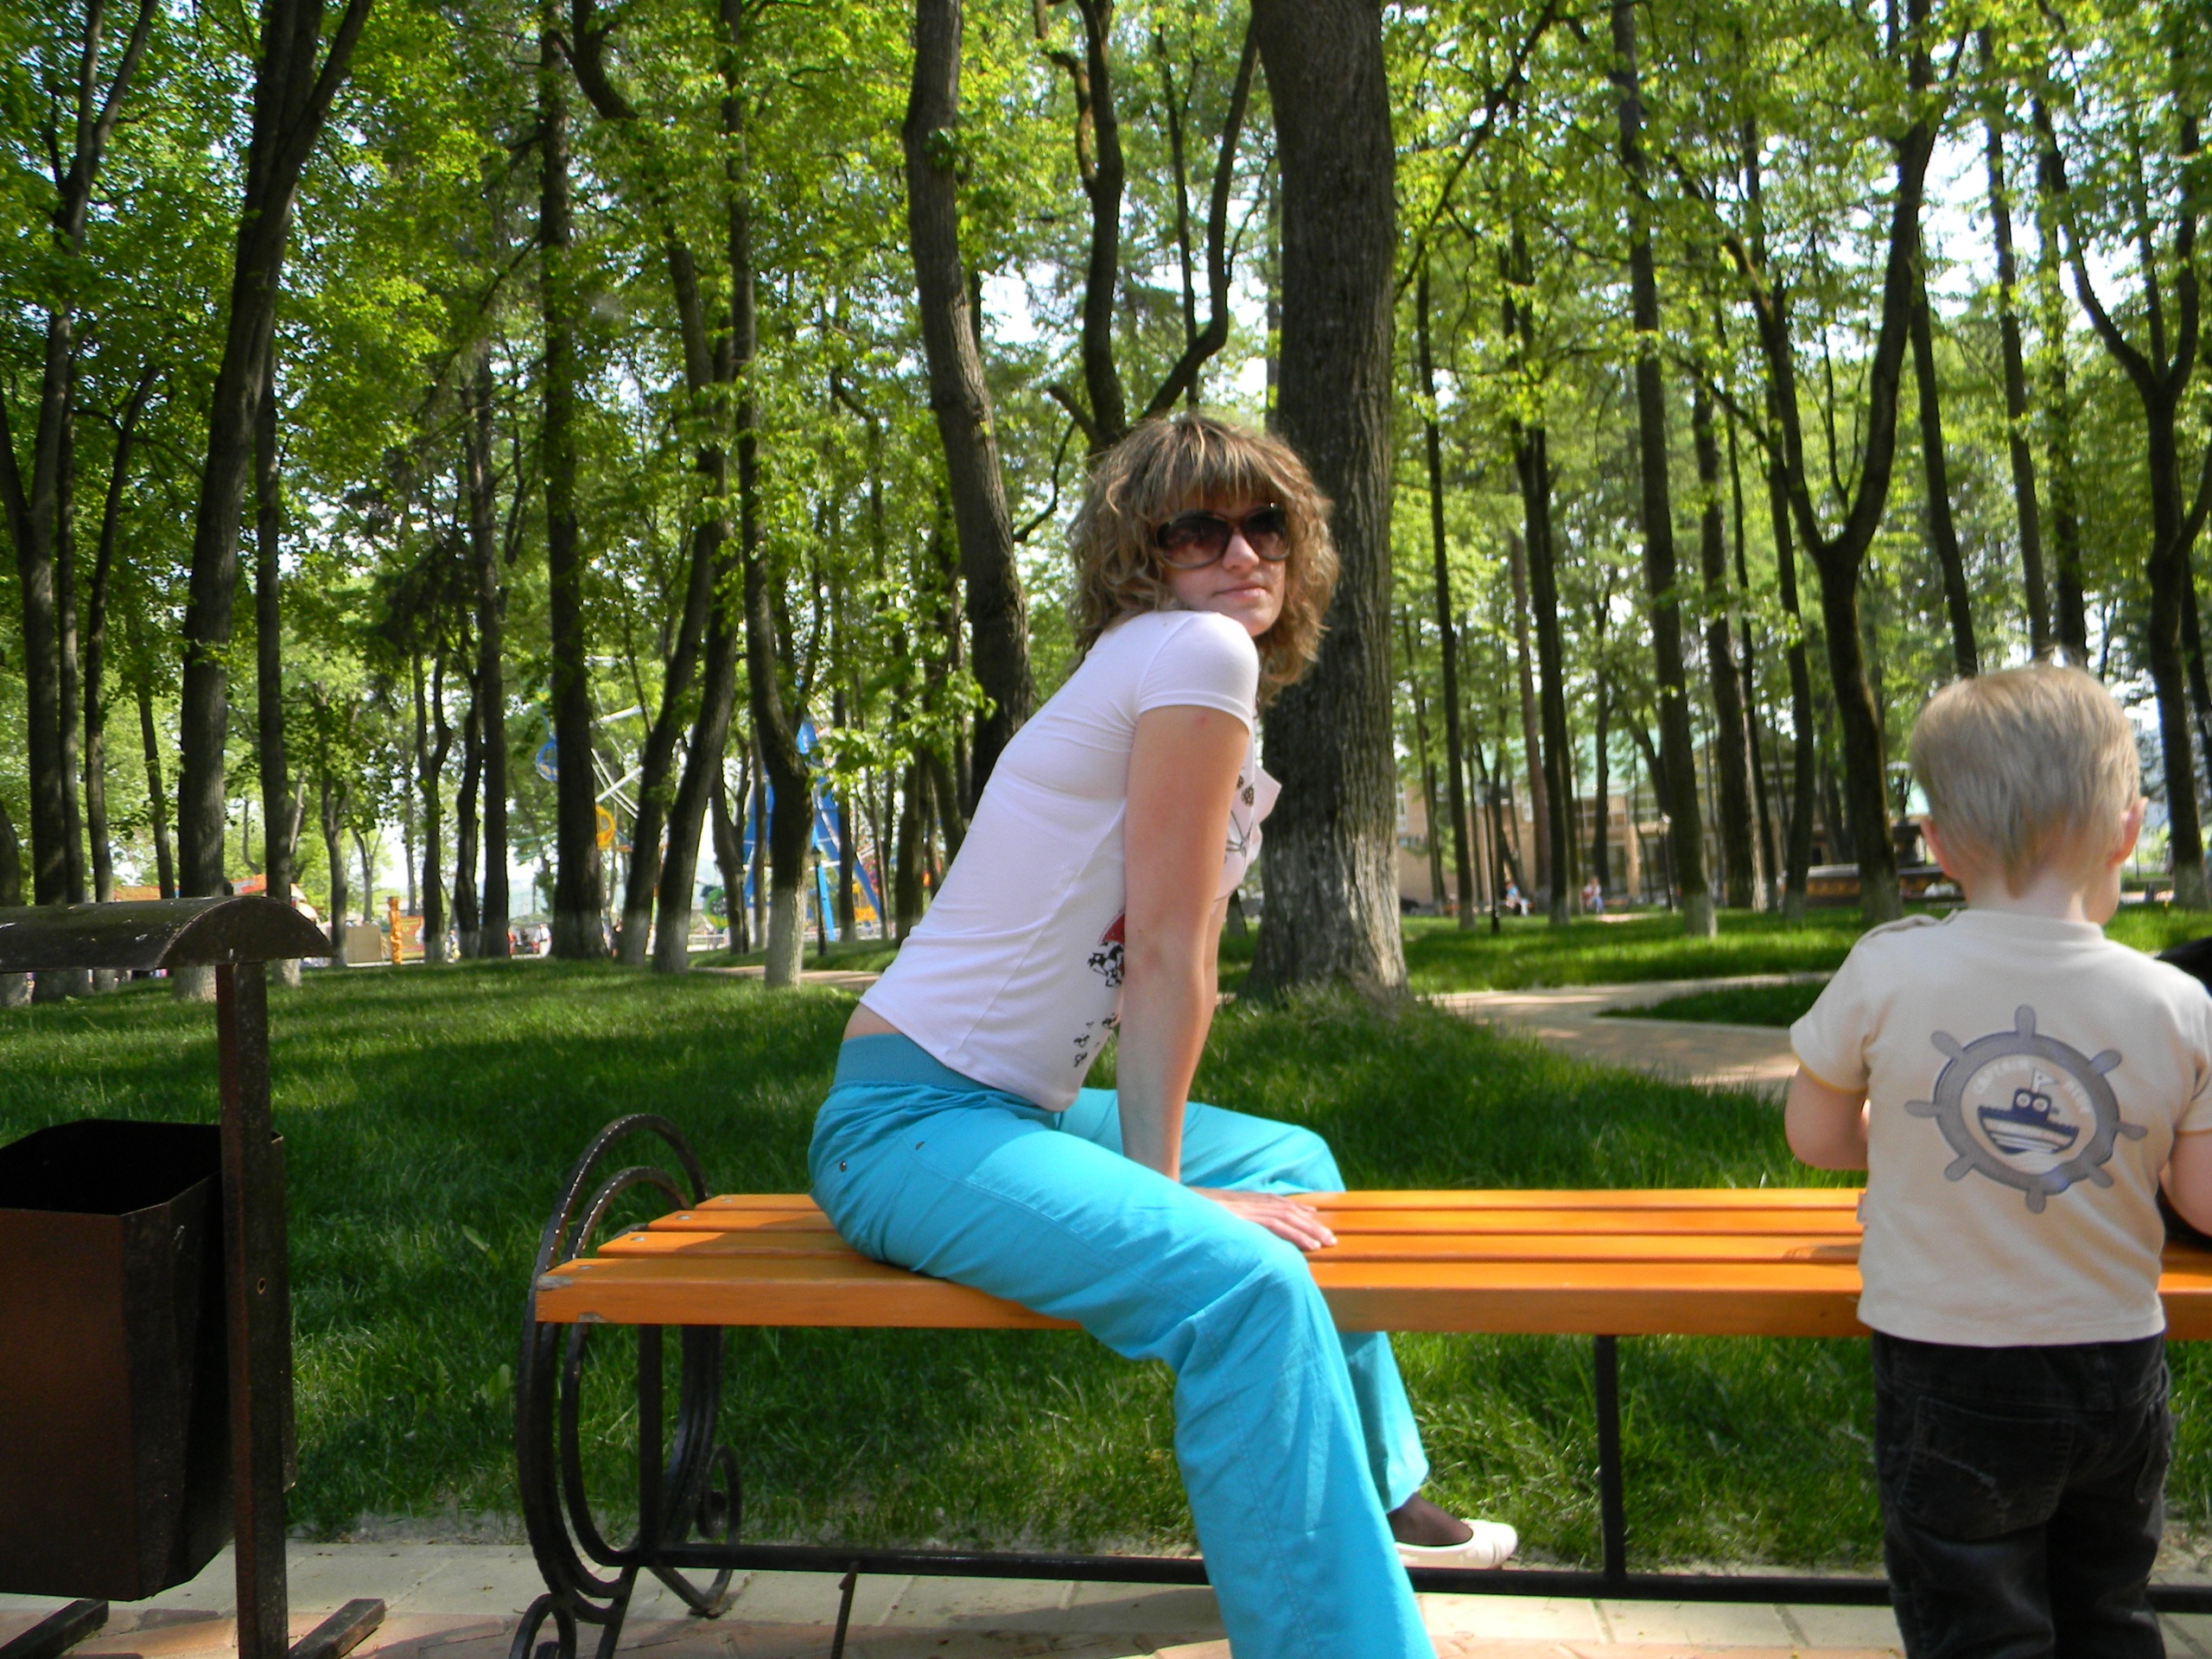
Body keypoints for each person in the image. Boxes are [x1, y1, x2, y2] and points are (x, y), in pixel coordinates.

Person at [810, 414, 1512, 1659]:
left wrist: (1171, 1174)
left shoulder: (1170, 664)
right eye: (1198, 530)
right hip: (908, 1126)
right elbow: (1168, 955)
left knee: (1292, 1162)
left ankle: (1379, 1501)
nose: (1240, 553)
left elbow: (1167, 952)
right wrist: (1170, 1194)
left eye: (1264, 525)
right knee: (1246, 1289)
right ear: (1143, 555)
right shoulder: (1194, 651)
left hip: (1001, 1109)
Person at [1784, 664, 2212, 1659]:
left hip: (1949, 1367)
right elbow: (2201, 1200)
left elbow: (1813, 1137)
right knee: (2108, 1609)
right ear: (2128, 830)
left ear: (1933, 843)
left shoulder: (1888, 968)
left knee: (1976, 1626)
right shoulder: (2176, 1004)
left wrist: (1913, 1139)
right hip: (2115, 1365)